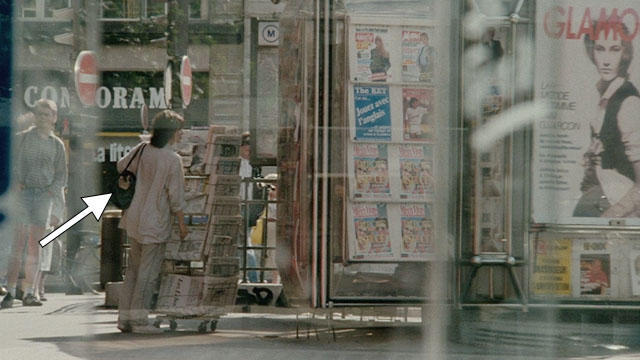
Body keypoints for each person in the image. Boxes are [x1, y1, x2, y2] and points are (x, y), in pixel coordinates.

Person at [117, 110, 188, 334]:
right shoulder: (172, 159)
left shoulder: (143, 149)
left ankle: (124, 319)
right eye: (179, 130)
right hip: (155, 222)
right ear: (172, 132)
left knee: (134, 271)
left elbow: (121, 166)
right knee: (147, 274)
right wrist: (182, 224)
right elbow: (176, 198)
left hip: (134, 217)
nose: (181, 134)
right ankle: (139, 321)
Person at [1, 100, 67, 308]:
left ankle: (30, 292)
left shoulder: (56, 144)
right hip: (24, 194)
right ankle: (10, 291)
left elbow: (61, 175)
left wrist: (51, 192)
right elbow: (9, 164)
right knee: (18, 243)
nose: (42, 118)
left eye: (47, 114)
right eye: (39, 114)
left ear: (54, 118)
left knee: (35, 247)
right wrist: (17, 184)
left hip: (43, 196)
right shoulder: (22, 139)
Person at [573, 22, 640, 218]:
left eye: (615, 49)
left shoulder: (628, 103)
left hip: (622, 212)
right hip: (604, 197)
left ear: (625, 54)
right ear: (592, 52)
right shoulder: (604, 97)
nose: (607, 60)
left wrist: (608, 218)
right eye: (600, 49)